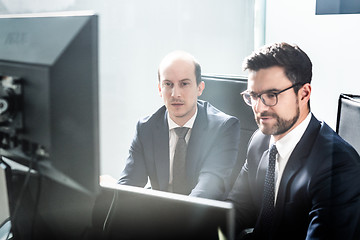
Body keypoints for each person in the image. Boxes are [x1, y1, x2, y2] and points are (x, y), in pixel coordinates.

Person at [227, 42, 360, 239]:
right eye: (254, 96)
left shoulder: (338, 165)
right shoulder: (260, 141)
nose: (259, 107)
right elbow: (236, 211)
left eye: (271, 95)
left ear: (304, 93)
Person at [118, 50, 241, 200]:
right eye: (168, 84)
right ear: (159, 89)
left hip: (203, 218)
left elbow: (209, 187)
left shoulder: (223, 128)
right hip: (159, 215)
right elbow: (129, 184)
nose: (175, 94)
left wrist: (174, 221)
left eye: (184, 84)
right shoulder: (146, 128)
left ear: (200, 88)